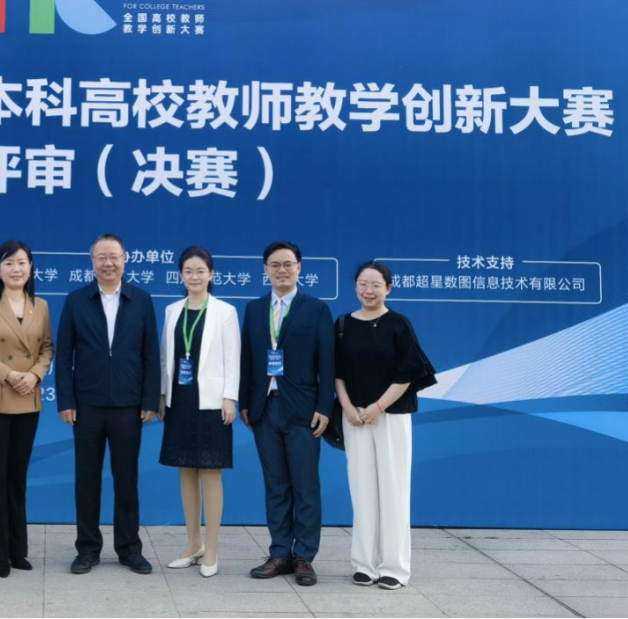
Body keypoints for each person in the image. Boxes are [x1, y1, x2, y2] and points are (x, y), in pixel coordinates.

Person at [56, 233, 161, 575]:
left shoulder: (141, 299)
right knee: (86, 479)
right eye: (101, 257)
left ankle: (129, 548)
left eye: (114, 256)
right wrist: (66, 400)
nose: (108, 263)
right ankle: (87, 549)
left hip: (128, 406)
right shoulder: (76, 300)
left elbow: (151, 353)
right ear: (92, 262)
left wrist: (149, 399)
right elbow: (64, 356)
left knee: (126, 479)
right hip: (86, 405)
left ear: (125, 259)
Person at [336, 261, 437, 590]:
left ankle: (394, 567)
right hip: (355, 417)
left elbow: (408, 373)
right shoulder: (343, 324)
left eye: (376, 285)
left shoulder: (398, 324)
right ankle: (364, 564)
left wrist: (379, 407)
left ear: (388, 288)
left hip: (390, 416)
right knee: (361, 488)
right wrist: (348, 407)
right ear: (355, 287)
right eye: (363, 284)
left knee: (393, 489)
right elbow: (337, 373)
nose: (368, 290)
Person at [240, 240, 334, 586]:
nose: (281, 270)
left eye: (288, 264)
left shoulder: (316, 309)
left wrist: (324, 407)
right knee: (276, 485)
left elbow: (327, 362)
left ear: (299, 268)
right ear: (265, 269)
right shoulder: (254, 309)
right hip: (265, 409)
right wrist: (245, 402)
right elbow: (247, 359)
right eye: (275, 265)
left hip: (303, 412)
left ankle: (304, 556)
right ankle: (280, 552)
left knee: (305, 486)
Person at [0, 240, 54, 578]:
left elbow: (47, 348)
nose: (16, 269)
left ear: (30, 268)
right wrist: (8, 374)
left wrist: (34, 375)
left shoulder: (40, 306)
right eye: (9, 263)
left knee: (18, 476)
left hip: (28, 398)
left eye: (22, 263)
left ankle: (17, 549)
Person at [158, 246, 241, 579]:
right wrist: (162, 394)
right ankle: (193, 544)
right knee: (186, 471)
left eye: (200, 271)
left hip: (211, 402)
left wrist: (230, 397)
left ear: (211, 274)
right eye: (188, 271)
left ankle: (212, 548)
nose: (194, 277)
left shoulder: (225, 312)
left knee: (210, 473)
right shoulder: (172, 310)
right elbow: (166, 357)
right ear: (181, 275)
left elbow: (233, 357)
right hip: (179, 400)